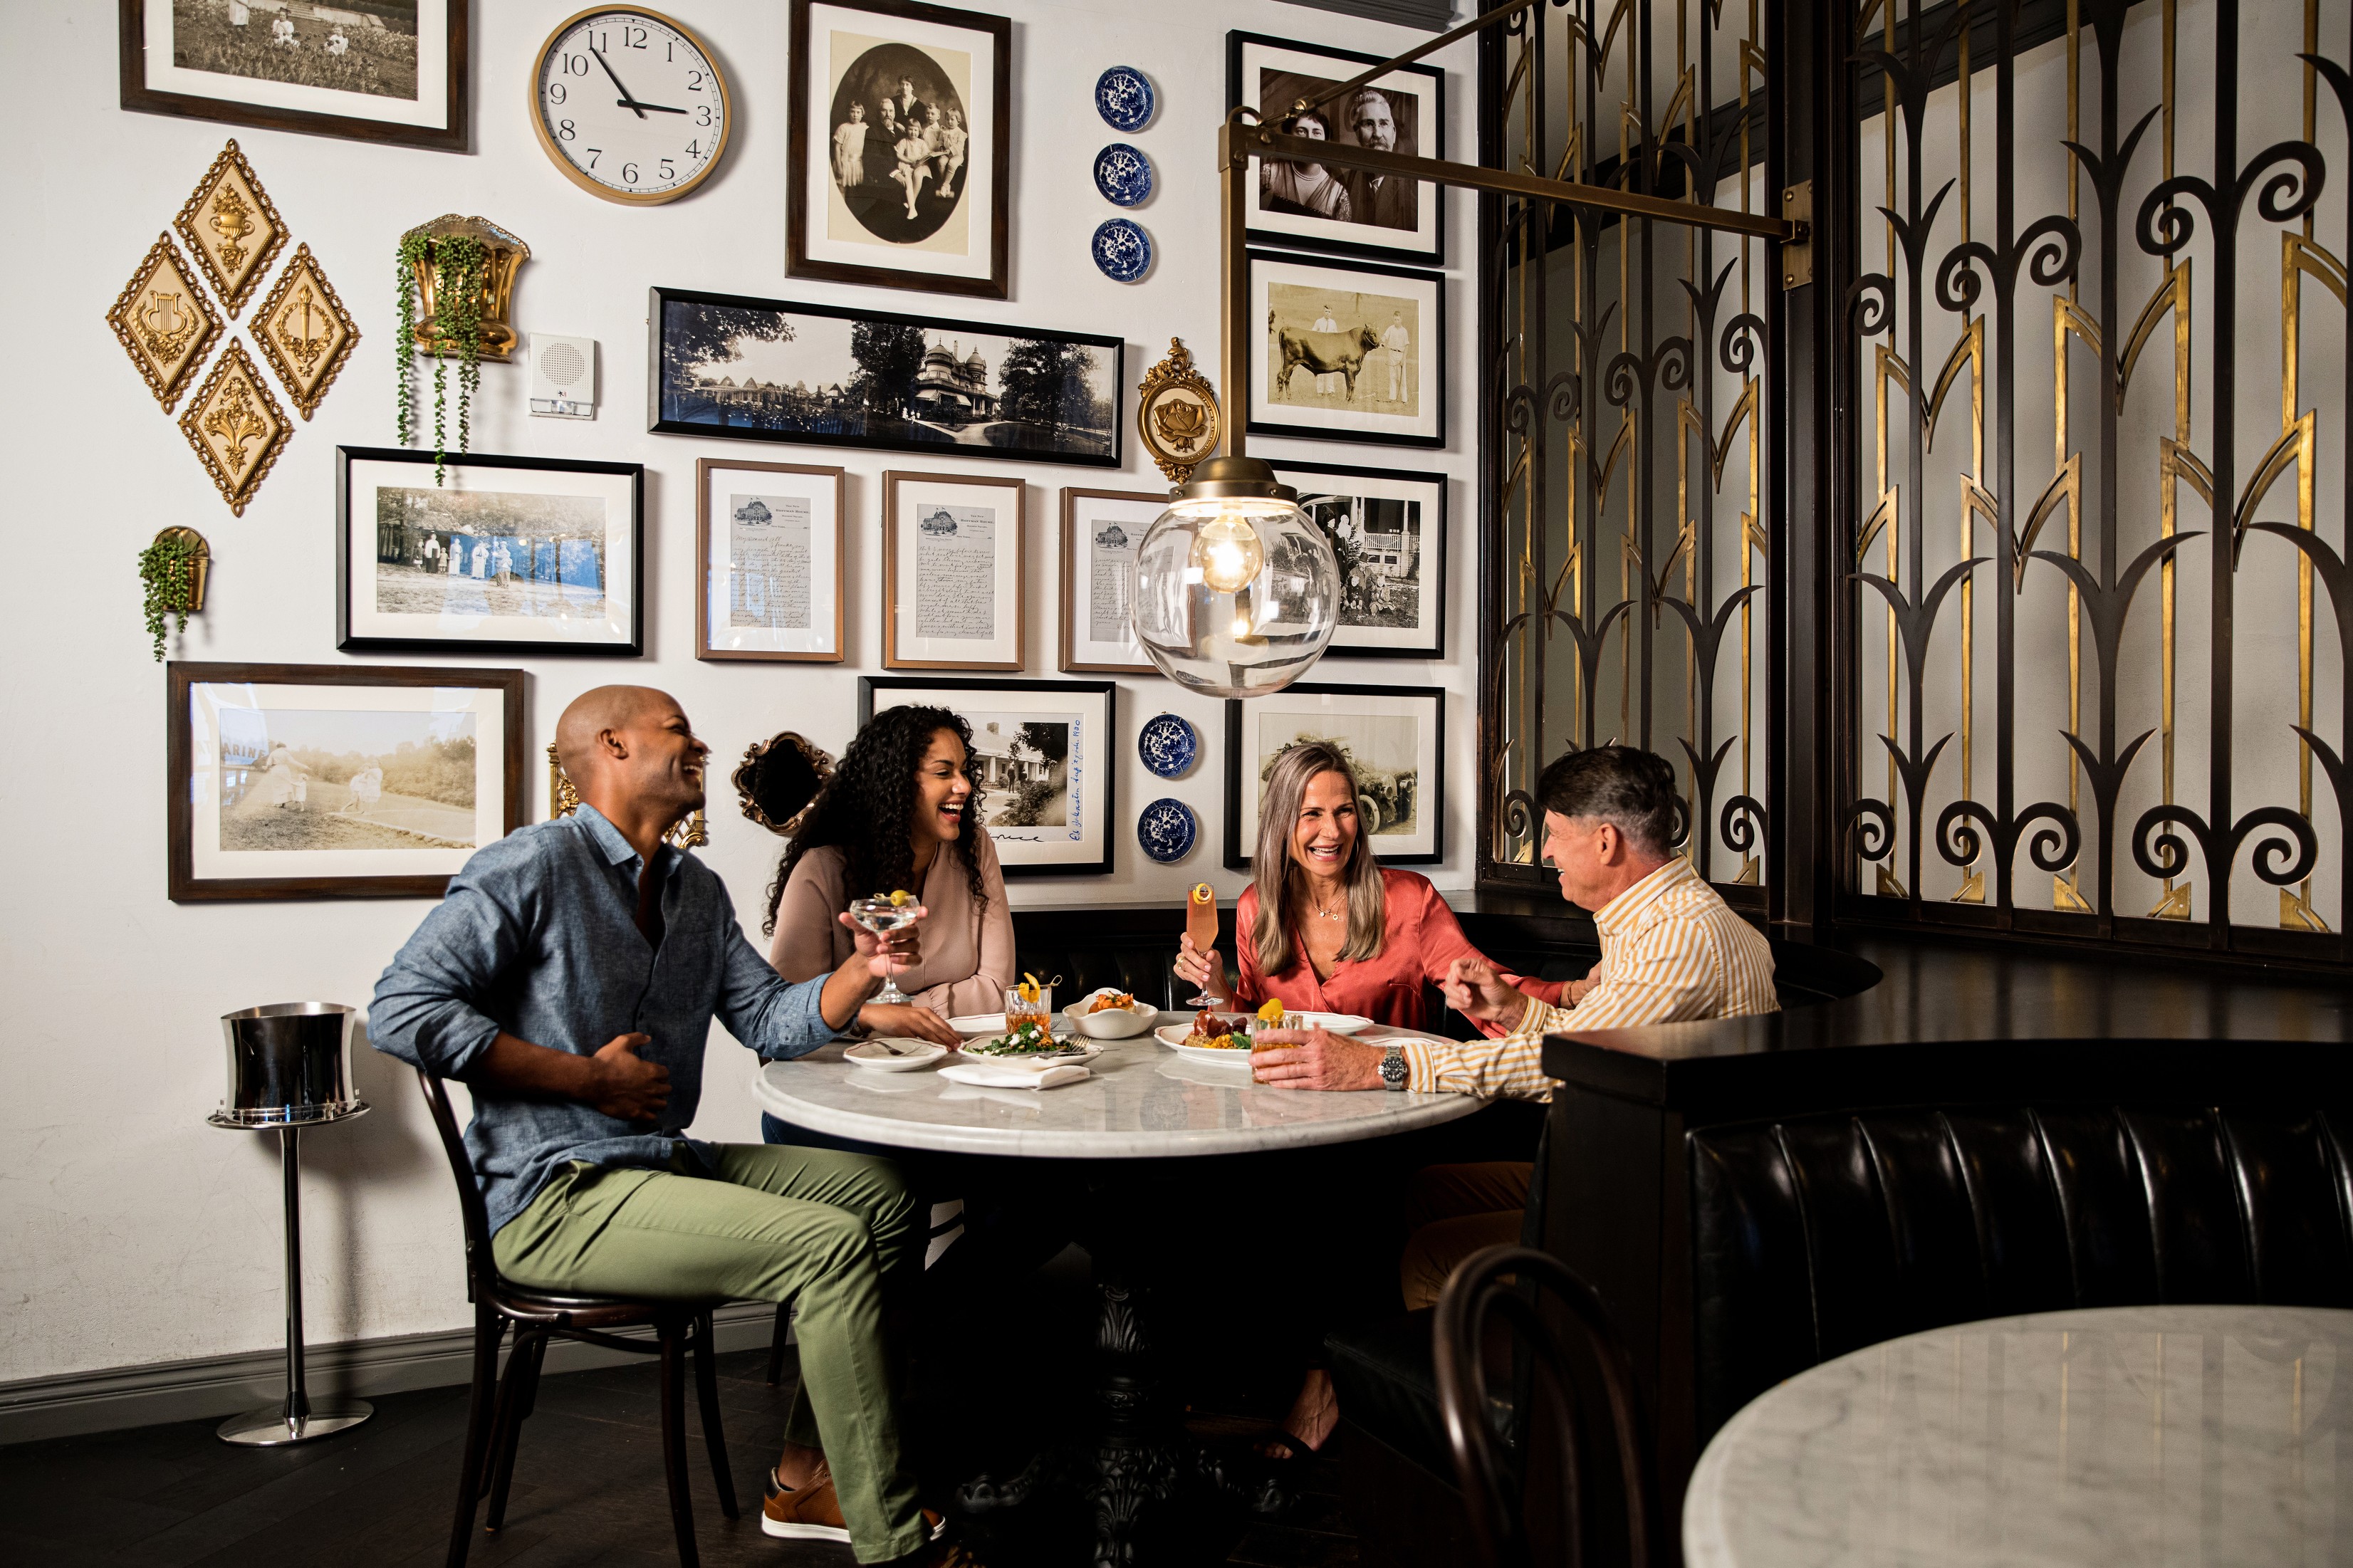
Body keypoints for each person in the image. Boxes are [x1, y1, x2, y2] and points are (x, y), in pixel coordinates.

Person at [368, 686, 987, 1567]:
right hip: (555, 1193)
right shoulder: (532, 866)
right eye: (678, 733)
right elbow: (398, 1009)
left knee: (884, 1197)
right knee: (826, 1246)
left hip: (656, 1164)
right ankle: (895, 1545)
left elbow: (771, 1019)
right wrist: (586, 1078)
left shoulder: (695, 891)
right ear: (612, 748)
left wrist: (863, 969)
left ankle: (810, 1472)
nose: (699, 746)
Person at [1256, 744, 1779, 1311]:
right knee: (1424, 1194)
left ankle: (1515, 1399)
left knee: (1432, 1255)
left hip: (1665, 1201)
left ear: (1605, 842)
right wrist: (1509, 1009)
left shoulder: (1679, 940)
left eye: (1554, 834)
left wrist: (1382, 1066)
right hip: (1629, 1167)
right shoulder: (1658, 917)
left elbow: (1567, 1068)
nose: (1546, 850)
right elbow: (1598, 1043)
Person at [1170, 740, 1555, 1458]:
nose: (1331, 829)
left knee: (1330, 1186)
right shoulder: (1258, 908)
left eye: (1345, 810)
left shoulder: (1408, 902)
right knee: (1225, 1189)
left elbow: (1487, 992)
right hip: (1287, 1117)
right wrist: (1218, 991)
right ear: (1282, 825)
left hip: (1392, 1114)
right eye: (1312, 813)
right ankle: (1249, 1373)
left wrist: (1577, 1001)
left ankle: (1324, 1383)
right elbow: (1250, 1025)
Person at [766, 705, 1011, 1035]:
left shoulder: (975, 848)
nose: (964, 786)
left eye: (964, 771)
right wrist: (868, 1018)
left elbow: (997, 989)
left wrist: (899, 1011)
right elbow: (789, 1014)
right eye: (944, 773)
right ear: (894, 785)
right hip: (851, 1072)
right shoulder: (822, 870)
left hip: (964, 1062)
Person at [1340, 88, 1414, 229]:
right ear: (1357, 135)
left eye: (1383, 124)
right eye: (1369, 124)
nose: (1378, 134)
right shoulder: (1342, 186)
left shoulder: (1416, 185)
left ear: (1394, 133)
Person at [1261, 110, 1351, 221]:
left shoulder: (1338, 194)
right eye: (1301, 131)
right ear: (1289, 136)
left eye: (1317, 133)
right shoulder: (1270, 174)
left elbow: (1341, 236)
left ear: (1325, 140)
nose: (1309, 139)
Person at [890, 123, 932, 217]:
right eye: (911, 130)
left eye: (916, 130)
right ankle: (913, 209)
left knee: (918, 174)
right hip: (907, 164)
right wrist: (909, 161)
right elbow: (898, 154)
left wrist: (918, 162)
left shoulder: (921, 143)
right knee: (907, 176)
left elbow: (925, 156)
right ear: (907, 130)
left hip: (920, 165)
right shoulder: (904, 141)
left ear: (919, 131)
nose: (913, 132)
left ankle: (911, 204)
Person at [834, 101, 868, 189]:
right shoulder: (843, 128)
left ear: (862, 114)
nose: (855, 115)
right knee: (842, 188)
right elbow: (837, 148)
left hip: (858, 164)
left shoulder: (865, 128)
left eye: (858, 112)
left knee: (855, 190)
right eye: (852, 112)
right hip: (844, 163)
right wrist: (839, 167)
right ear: (849, 113)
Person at [1381, 310, 1412, 404]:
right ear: (1393, 319)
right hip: (1391, 354)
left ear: (1401, 320)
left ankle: (1404, 400)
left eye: (1398, 320)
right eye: (1395, 320)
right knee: (1392, 377)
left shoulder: (1404, 331)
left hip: (1400, 355)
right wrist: (1383, 341)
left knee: (1402, 379)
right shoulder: (1390, 328)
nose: (1396, 322)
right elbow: (1385, 336)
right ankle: (1392, 398)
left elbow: (1407, 346)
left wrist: (1403, 358)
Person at [937, 108, 967, 199]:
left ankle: (945, 185)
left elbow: (960, 146)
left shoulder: (960, 133)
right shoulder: (944, 131)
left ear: (958, 121)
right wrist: (941, 147)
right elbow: (940, 141)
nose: (949, 122)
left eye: (952, 119)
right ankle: (946, 183)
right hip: (947, 154)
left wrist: (950, 150)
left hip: (957, 155)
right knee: (941, 162)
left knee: (952, 163)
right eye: (947, 119)